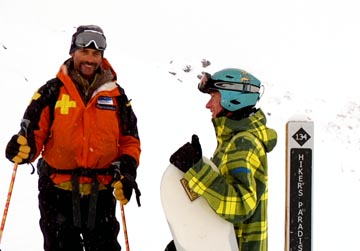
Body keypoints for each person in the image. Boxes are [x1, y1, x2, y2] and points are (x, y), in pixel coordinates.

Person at [5, 25, 141, 251]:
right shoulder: (51, 92)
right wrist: (23, 148)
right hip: (57, 193)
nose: (90, 59)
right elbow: (33, 136)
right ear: (72, 53)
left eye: (96, 54)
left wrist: (127, 169)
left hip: (101, 194)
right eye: (84, 52)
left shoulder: (116, 96)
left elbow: (130, 140)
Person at [166, 68, 277, 251]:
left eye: (213, 96)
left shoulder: (243, 143)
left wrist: (198, 170)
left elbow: (240, 205)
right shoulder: (232, 141)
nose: (208, 105)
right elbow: (218, 206)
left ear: (232, 98)